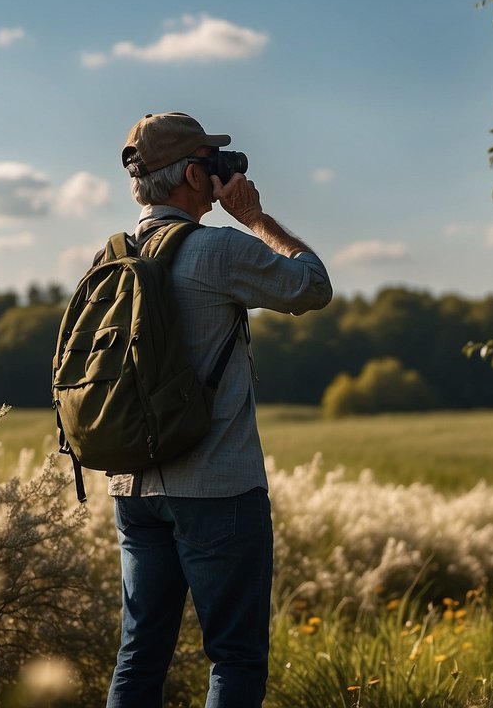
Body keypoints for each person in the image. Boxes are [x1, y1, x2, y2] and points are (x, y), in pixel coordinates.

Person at [105, 112, 332, 707]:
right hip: (217, 489)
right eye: (211, 162)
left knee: (139, 656)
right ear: (189, 174)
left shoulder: (113, 256)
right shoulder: (218, 248)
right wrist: (256, 219)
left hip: (134, 485)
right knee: (234, 656)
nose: (221, 172)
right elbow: (312, 285)